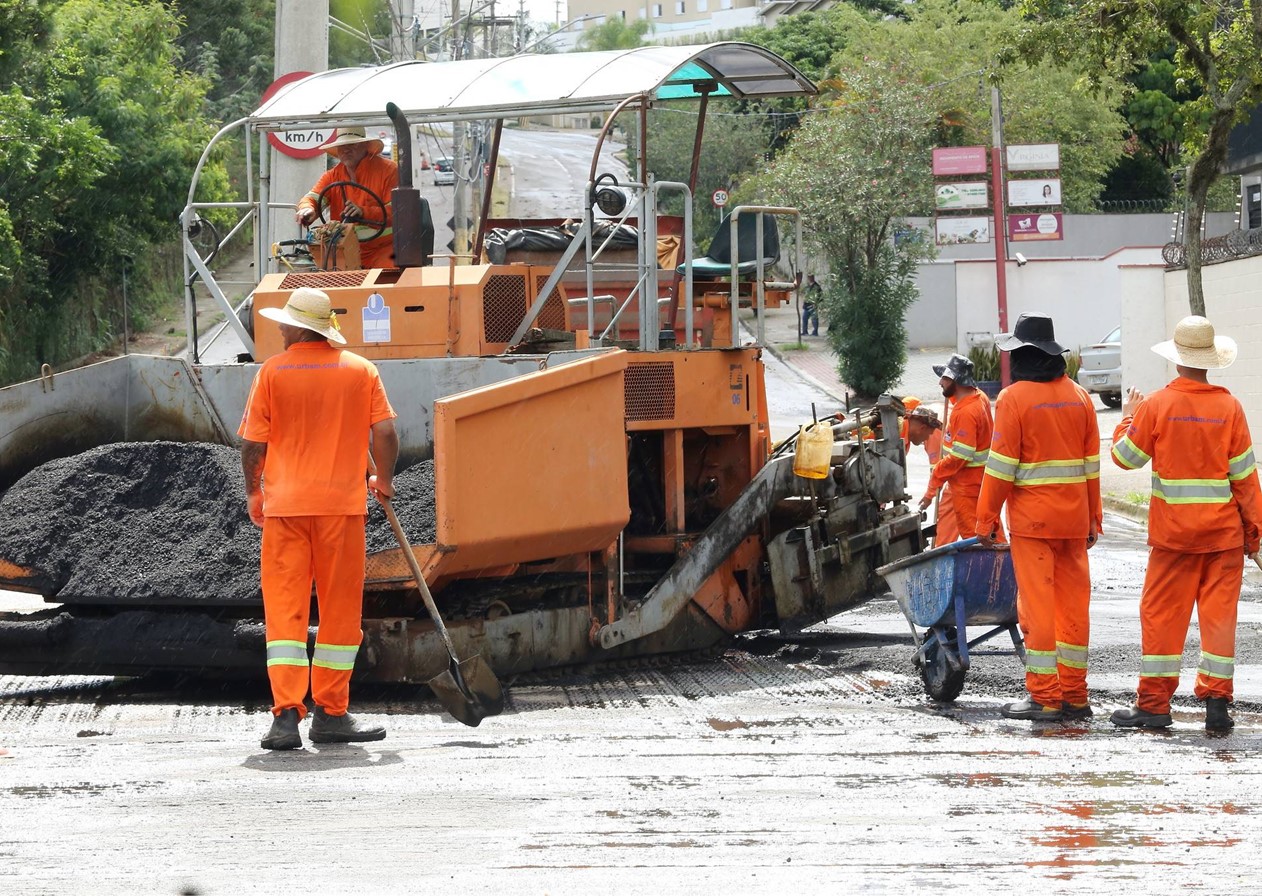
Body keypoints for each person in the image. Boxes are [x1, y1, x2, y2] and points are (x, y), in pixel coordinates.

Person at [240, 287, 400, 751]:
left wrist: (255, 491)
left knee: (285, 613)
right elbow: (385, 431)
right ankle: (331, 713)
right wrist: (384, 481)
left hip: (286, 511)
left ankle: (286, 717)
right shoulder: (360, 370)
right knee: (339, 613)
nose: (281, 328)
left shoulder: (272, 372)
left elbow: (253, 443)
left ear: (297, 328)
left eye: (284, 323)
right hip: (341, 510)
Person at [1109, 316, 1262, 732]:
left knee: (1161, 616)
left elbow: (1124, 458)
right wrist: (1253, 534)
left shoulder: (1157, 404)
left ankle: (1155, 706)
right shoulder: (1229, 407)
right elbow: (1245, 479)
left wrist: (1128, 417)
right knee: (1218, 620)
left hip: (1174, 538)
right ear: (1210, 361)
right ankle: (1216, 705)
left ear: (1177, 360)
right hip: (1224, 537)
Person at [976, 312, 1102, 722]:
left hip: (1033, 523)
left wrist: (984, 520)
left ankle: (1045, 696)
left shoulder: (1013, 400)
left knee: (1037, 607)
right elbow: (1091, 467)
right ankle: (1075, 694)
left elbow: (1000, 469)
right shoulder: (1081, 397)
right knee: (1073, 607)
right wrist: (1093, 518)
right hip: (1074, 522)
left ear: (1023, 355)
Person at [296, 127, 399, 269]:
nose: (346, 149)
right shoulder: (331, 176)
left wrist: (363, 212)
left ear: (365, 146)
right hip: (342, 251)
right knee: (320, 278)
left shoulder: (389, 170)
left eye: (353, 144)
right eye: (342, 146)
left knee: (392, 275)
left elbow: (397, 212)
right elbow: (312, 198)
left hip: (384, 250)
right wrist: (307, 209)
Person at [918, 354, 994, 541]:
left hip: (968, 489)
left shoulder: (965, 413)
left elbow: (960, 457)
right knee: (990, 534)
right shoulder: (979, 397)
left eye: (944, 378)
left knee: (976, 540)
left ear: (955, 380)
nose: (940, 383)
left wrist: (935, 477)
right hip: (978, 483)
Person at [902, 401, 958, 546]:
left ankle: (942, 551)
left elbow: (938, 470)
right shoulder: (935, 418)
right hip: (971, 474)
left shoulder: (933, 433)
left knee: (950, 513)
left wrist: (928, 496)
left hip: (963, 479)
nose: (926, 439)